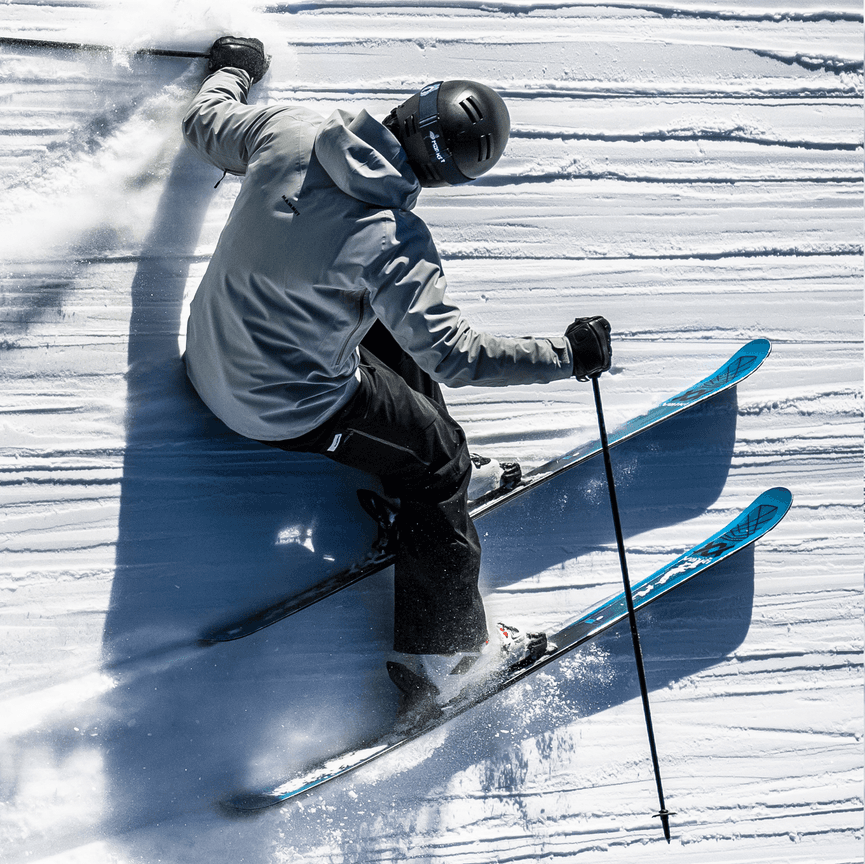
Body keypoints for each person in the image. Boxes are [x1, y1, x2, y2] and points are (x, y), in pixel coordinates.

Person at [181, 37, 612, 724]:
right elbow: (456, 357)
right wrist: (567, 355)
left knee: (384, 323)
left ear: (408, 109)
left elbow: (205, 124)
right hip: (277, 408)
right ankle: (446, 659)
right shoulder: (391, 240)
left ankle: (416, 488)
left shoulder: (292, 130)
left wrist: (233, 70)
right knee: (438, 463)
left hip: (209, 355)